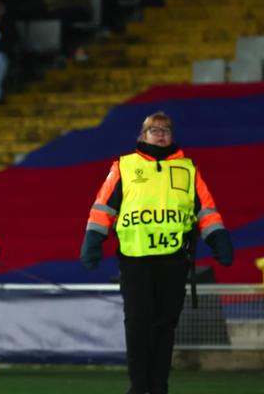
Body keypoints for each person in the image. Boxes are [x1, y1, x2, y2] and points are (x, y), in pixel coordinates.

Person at [80, 112, 234, 394]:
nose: (160, 133)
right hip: (135, 258)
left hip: (174, 259)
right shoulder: (124, 167)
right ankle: (138, 386)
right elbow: (102, 208)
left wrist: (219, 240)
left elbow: (207, 211)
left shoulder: (189, 169)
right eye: (154, 129)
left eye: (166, 129)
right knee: (138, 323)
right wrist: (93, 242)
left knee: (165, 325)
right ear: (143, 135)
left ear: (172, 135)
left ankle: (159, 385)